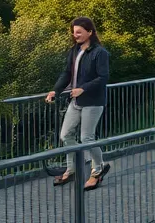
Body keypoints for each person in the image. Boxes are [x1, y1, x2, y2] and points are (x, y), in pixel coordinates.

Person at [46, 16, 111, 190]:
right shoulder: (74, 50)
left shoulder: (100, 53)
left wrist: (83, 88)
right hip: (76, 101)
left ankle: (97, 170)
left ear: (90, 32)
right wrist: (55, 90)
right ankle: (72, 168)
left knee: (86, 138)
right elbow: (66, 73)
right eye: (74, 32)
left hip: (93, 101)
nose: (75, 35)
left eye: (79, 32)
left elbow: (103, 77)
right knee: (65, 135)